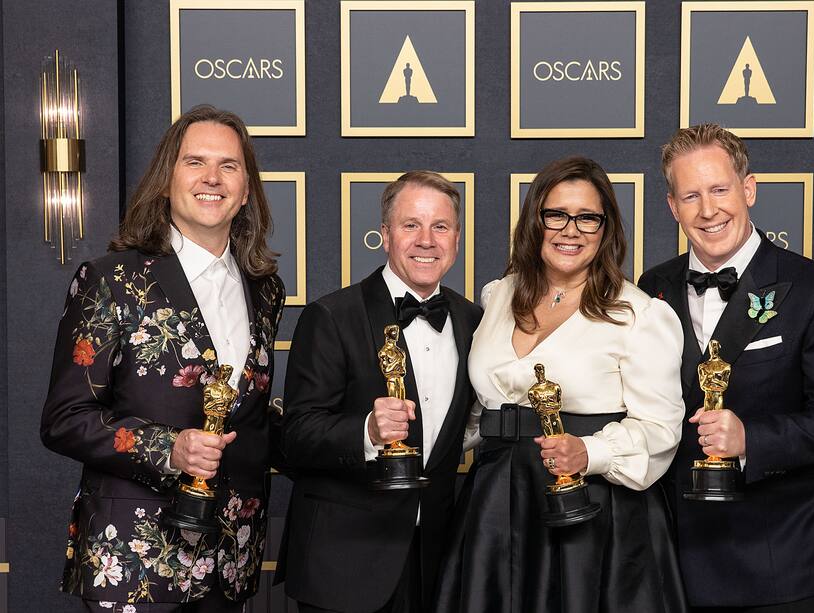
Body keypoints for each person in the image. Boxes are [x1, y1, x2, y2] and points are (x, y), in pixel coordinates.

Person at [40, 105, 285, 611]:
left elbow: (252, 419)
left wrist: (357, 434)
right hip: (133, 559)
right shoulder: (111, 280)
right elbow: (65, 419)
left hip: (230, 559)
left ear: (246, 190)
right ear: (166, 180)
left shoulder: (265, 290)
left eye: (229, 166)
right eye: (195, 162)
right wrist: (168, 449)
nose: (212, 178)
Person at [436, 156, 688, 612]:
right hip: (495, 501)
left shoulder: (639, 314)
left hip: (590, 509)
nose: (570, 230)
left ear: (606, 229)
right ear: (536, 220)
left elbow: (662, 428)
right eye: (556, 214)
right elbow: (478, 412)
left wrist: (590, 453)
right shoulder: (499, 296)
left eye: (588, 218)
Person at [638, 123, 814, 612]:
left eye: (720, 189)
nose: (708, 210)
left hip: (785, 561)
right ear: (671, 206)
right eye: (690, 196)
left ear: (748, 189)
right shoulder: (652, 287)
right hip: (676, 561)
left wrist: (751, 440)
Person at [276, 171, 483, 613]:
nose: (426, 240)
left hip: (436, 562)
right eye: (411, 225)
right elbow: (294, 435)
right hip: (344, 562)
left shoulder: (471, 321)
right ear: (385, 235)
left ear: (457, 238)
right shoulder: (331, 316)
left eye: (440, 226)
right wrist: (367, 430)